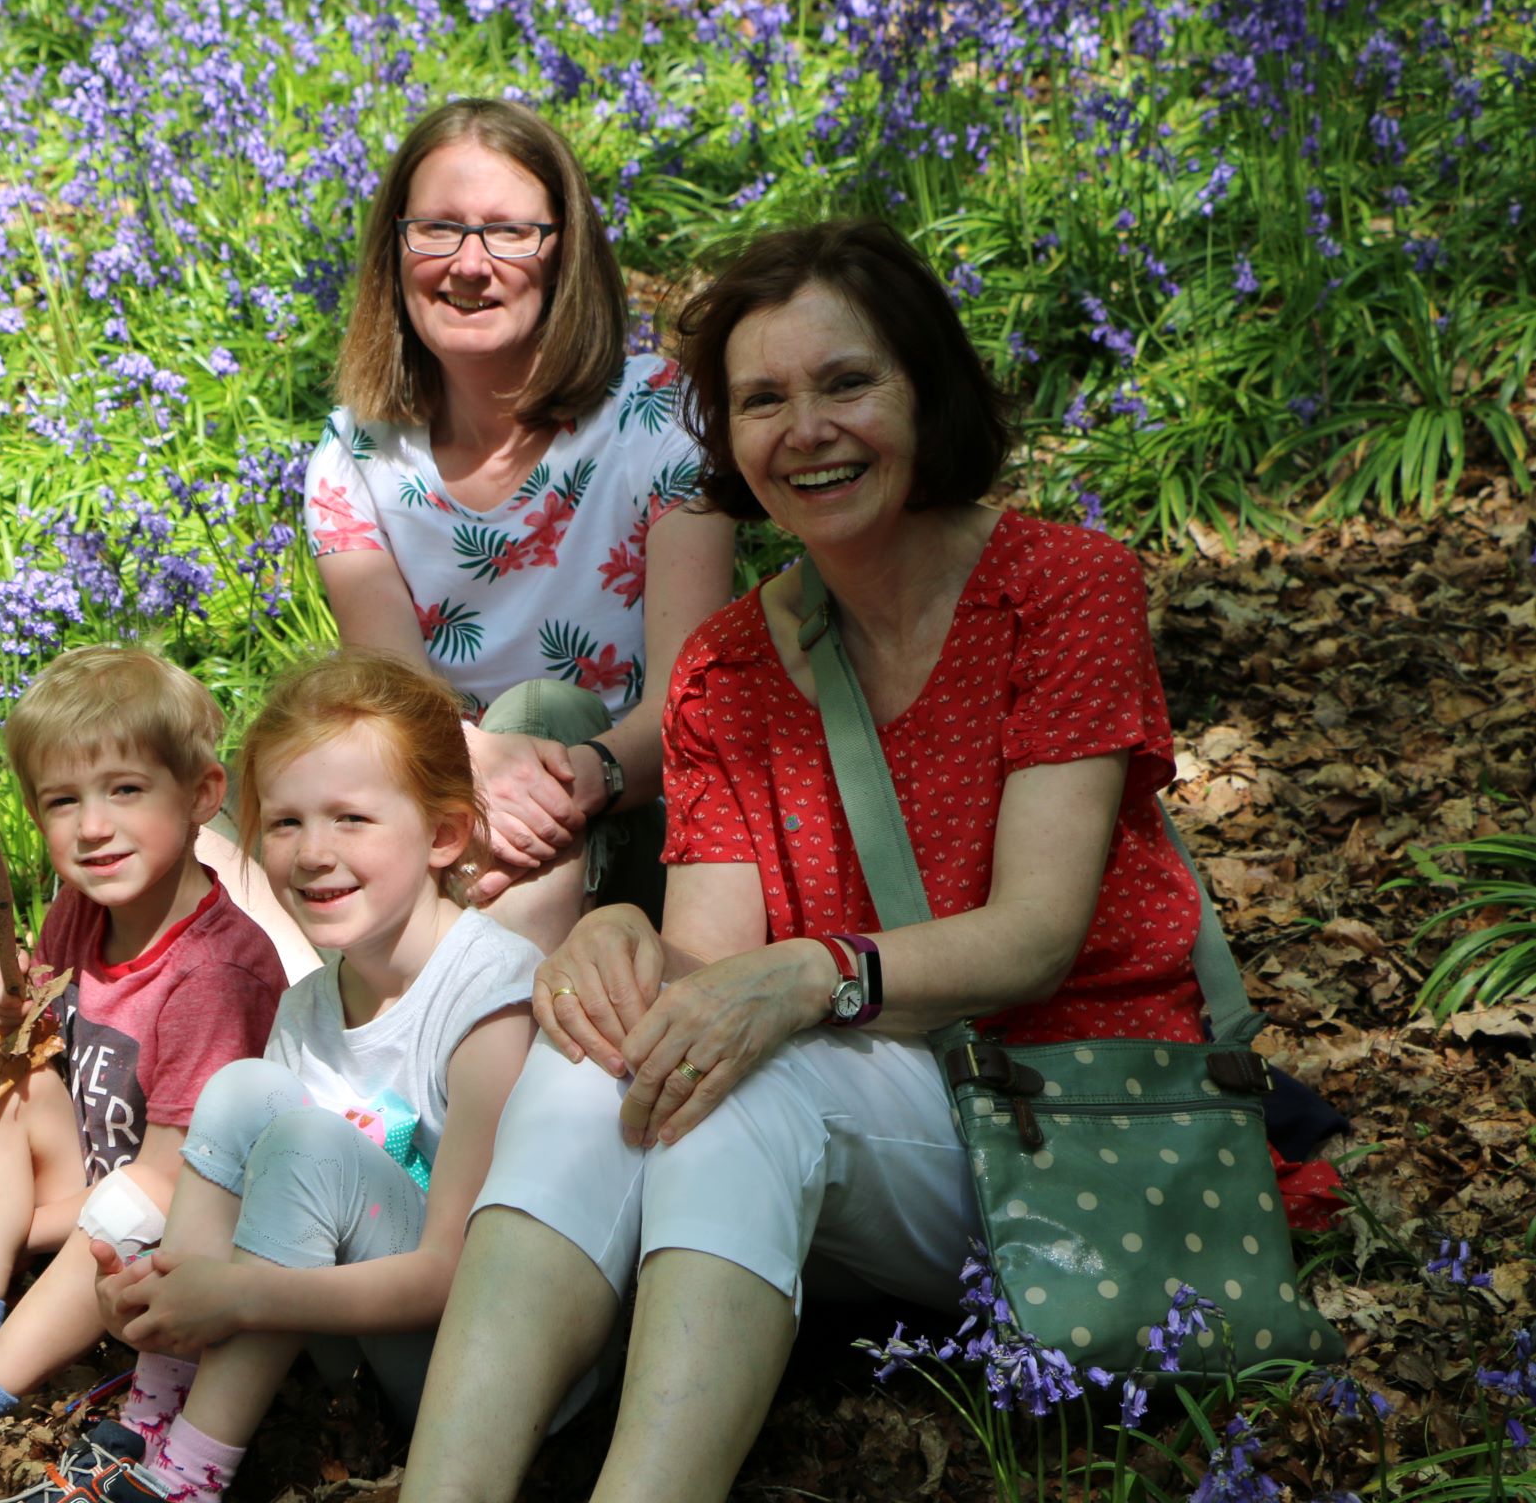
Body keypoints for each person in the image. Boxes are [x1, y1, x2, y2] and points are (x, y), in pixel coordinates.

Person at [397, 219, 1333, 1499]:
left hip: (1068, 1112)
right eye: (762, 401)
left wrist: (808, 976)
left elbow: (1035, 934)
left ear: (923, 390)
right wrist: (624, 941)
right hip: (871, 1114)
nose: (806, 429)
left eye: (846, 383)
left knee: (742, 1092)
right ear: (723, 441)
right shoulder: (727, 664)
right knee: (597, 1063)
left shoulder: (1063, 589)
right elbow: (712, 971)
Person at [0, 651, 538, 1503]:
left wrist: (238, 1298)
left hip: (479, 1364)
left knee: (310, 1144)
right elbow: (247, 1209)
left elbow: (452, 1274)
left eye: (351, 818)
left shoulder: (489, 1001)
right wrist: (164, 1295)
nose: (314, 853)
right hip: (344, 1337)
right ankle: (149, 1419)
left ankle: (187, 1479)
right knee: (244, 1092)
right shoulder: (312, 1003)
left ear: (443, 834)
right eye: (283, 823)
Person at [0, 647, 289, 1447]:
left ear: (202, 795)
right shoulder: (79, 909)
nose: (94, 827)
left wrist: (53, 1225)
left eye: (126, 791)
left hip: (187, 1223)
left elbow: (177, 1182)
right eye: (63, 802)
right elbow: (34, 1032)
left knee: (127, 1198)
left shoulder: (213, 972)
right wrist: (2, 997)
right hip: (102, 1179)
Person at [305, 98, 736, 955]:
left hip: (626, 812)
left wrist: (575, 776)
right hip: (441, 806)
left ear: (562, 251)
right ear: (395, 251)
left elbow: (686, 708)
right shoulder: (355, 453)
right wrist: (476, 774)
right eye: (437, 230)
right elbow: (396, 703)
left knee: (546, 706)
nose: (469, 265)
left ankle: (452, 1035)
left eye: (508, 233)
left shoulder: (661, 417)